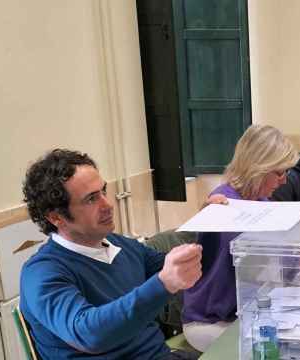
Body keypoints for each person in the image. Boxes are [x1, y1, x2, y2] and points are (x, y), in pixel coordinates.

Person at [20, 149, 203, 359]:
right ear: (56, 217)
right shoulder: (42, 273)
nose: (107, 205)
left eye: (103, 191)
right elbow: (88, 334)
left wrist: (210, 224)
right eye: (91, 199)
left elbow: (185, 267)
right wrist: (163, 283)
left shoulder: (118, 245)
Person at [182, 124, 298, 352]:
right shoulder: (222, 203)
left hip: (248, 311)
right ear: (259, 168)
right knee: (277, 350)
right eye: (280, 172)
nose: (284, 181)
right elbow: (256, 266)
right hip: (211, 321)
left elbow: (285, 261)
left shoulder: (263, 203)